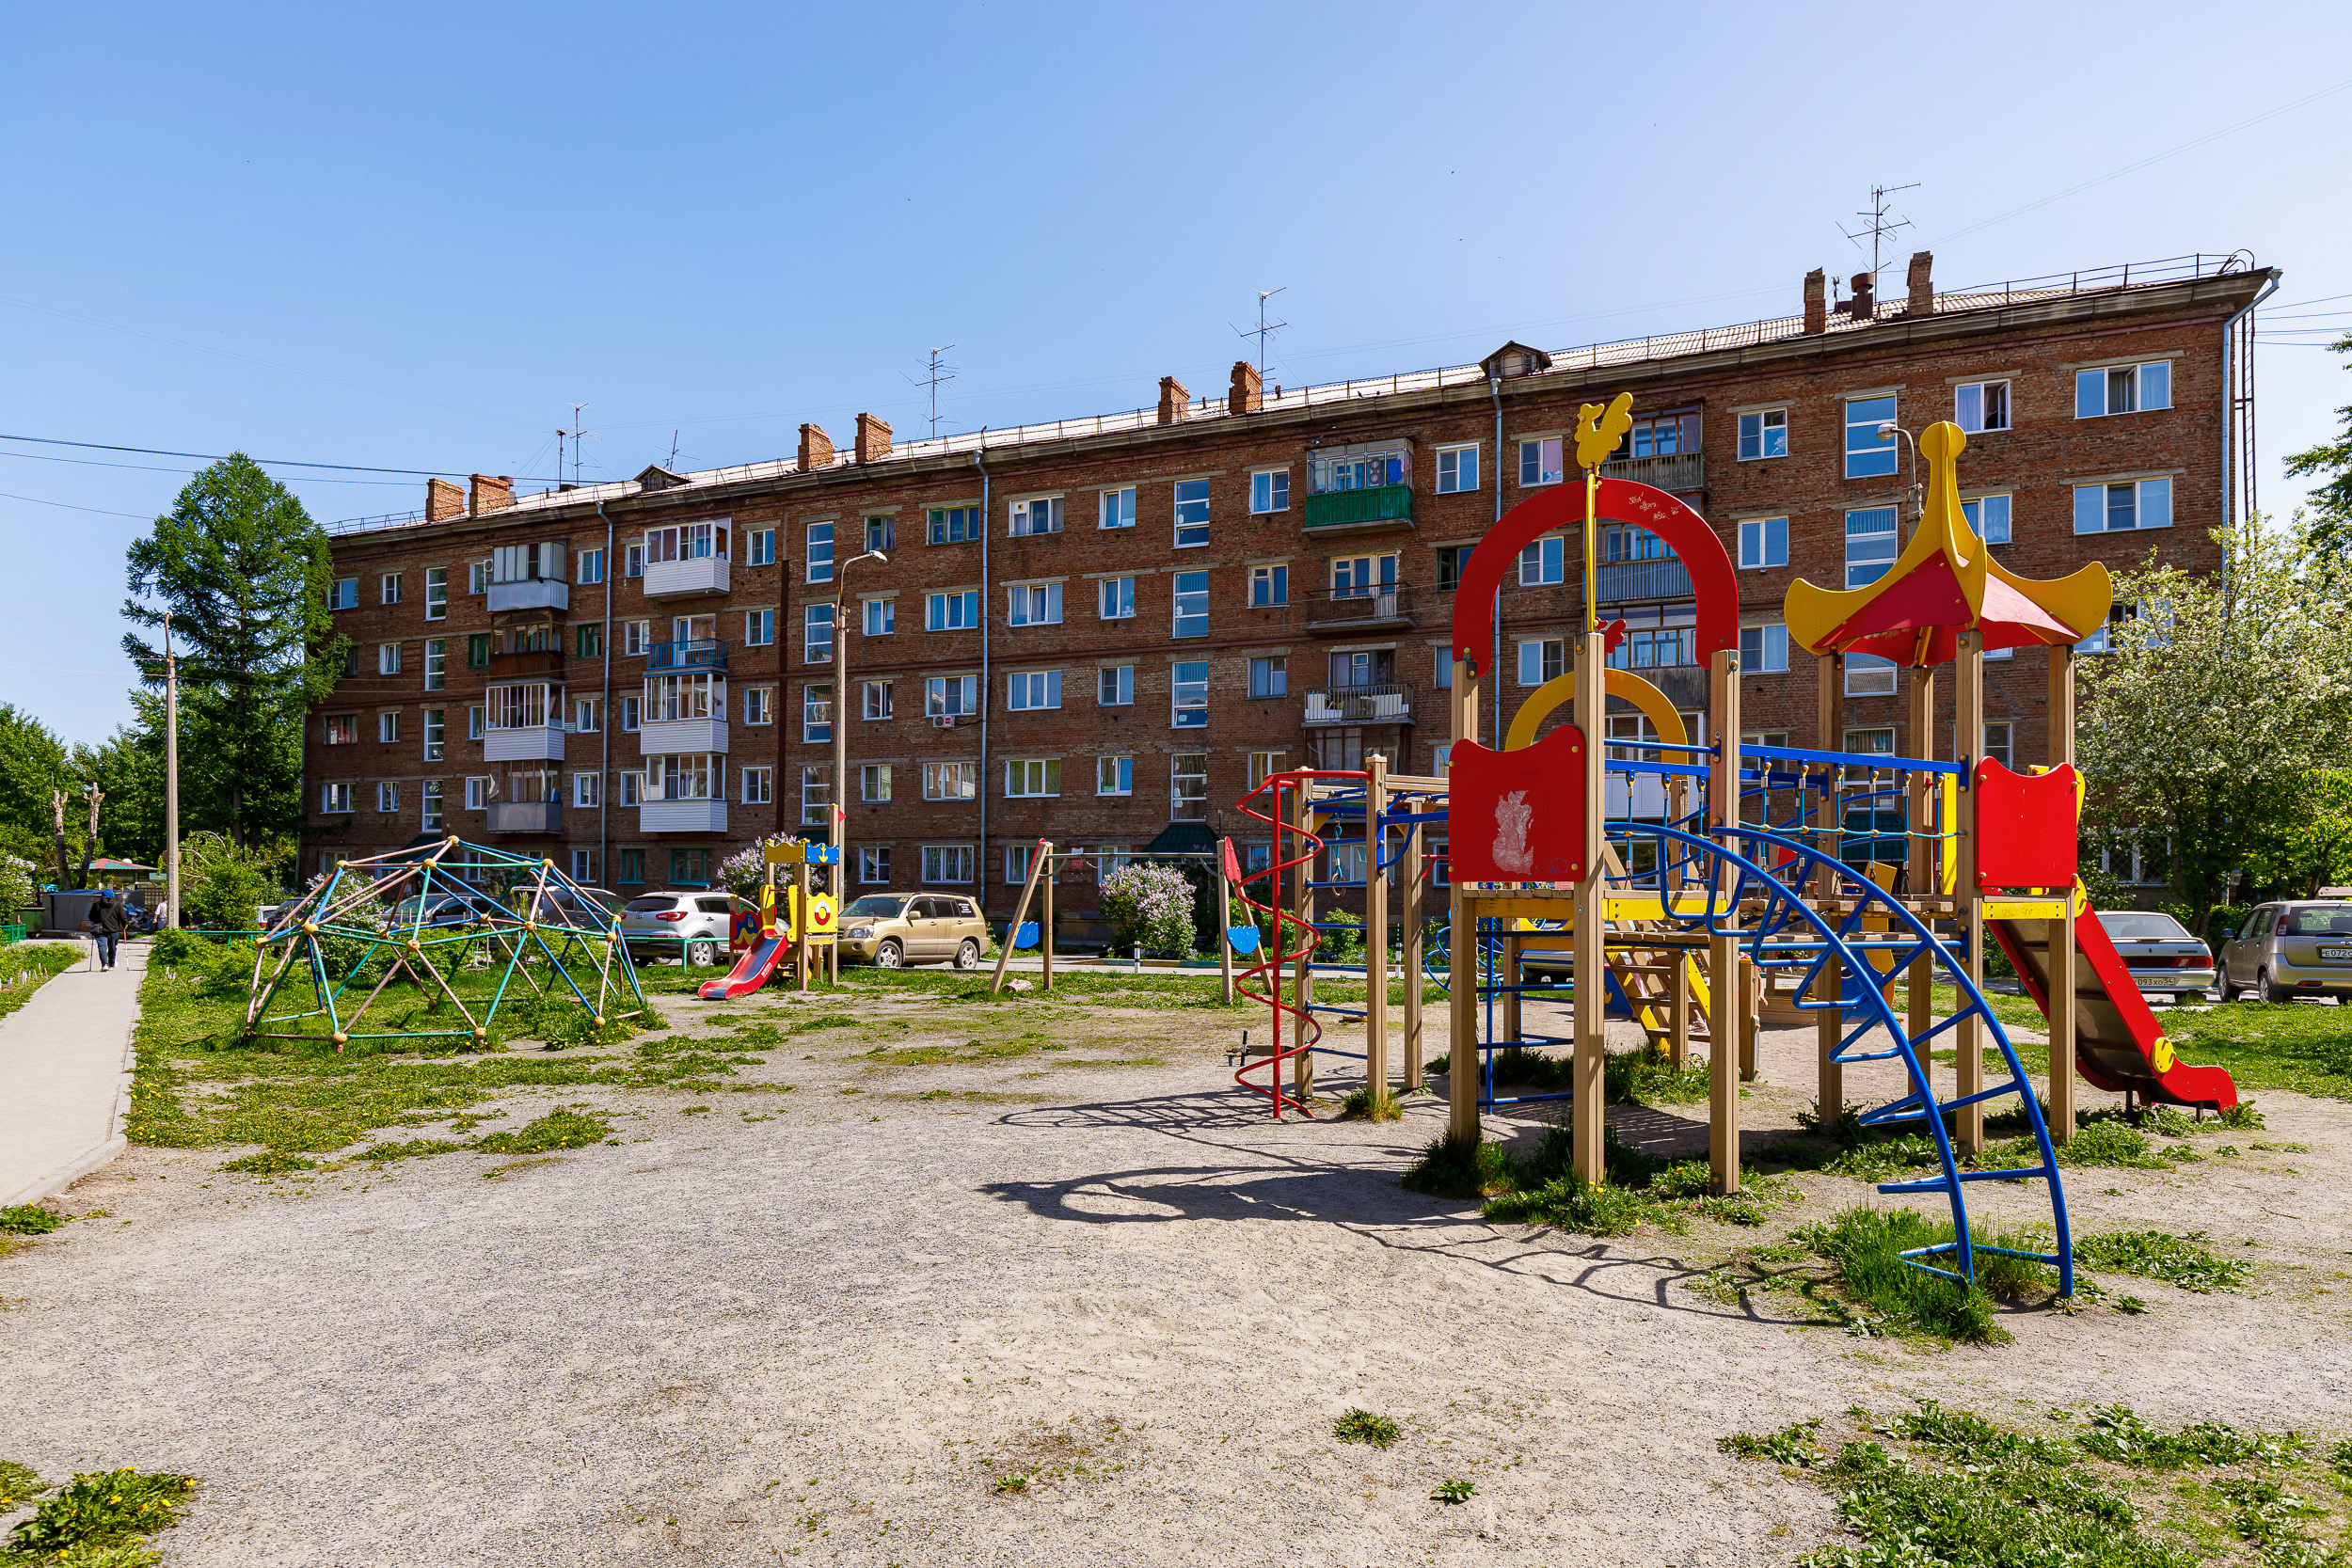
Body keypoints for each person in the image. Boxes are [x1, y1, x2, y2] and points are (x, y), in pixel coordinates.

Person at [90, 891, 126, 971]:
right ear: (112, 896)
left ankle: (104, 965)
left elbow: (91, 916)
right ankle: (112, 963)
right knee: (112, 947)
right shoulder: (118, 905)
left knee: (102, 947)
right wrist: (125, 924)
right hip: (114, 930)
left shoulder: (96, 904)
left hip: (100, 930)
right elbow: (123, 917)